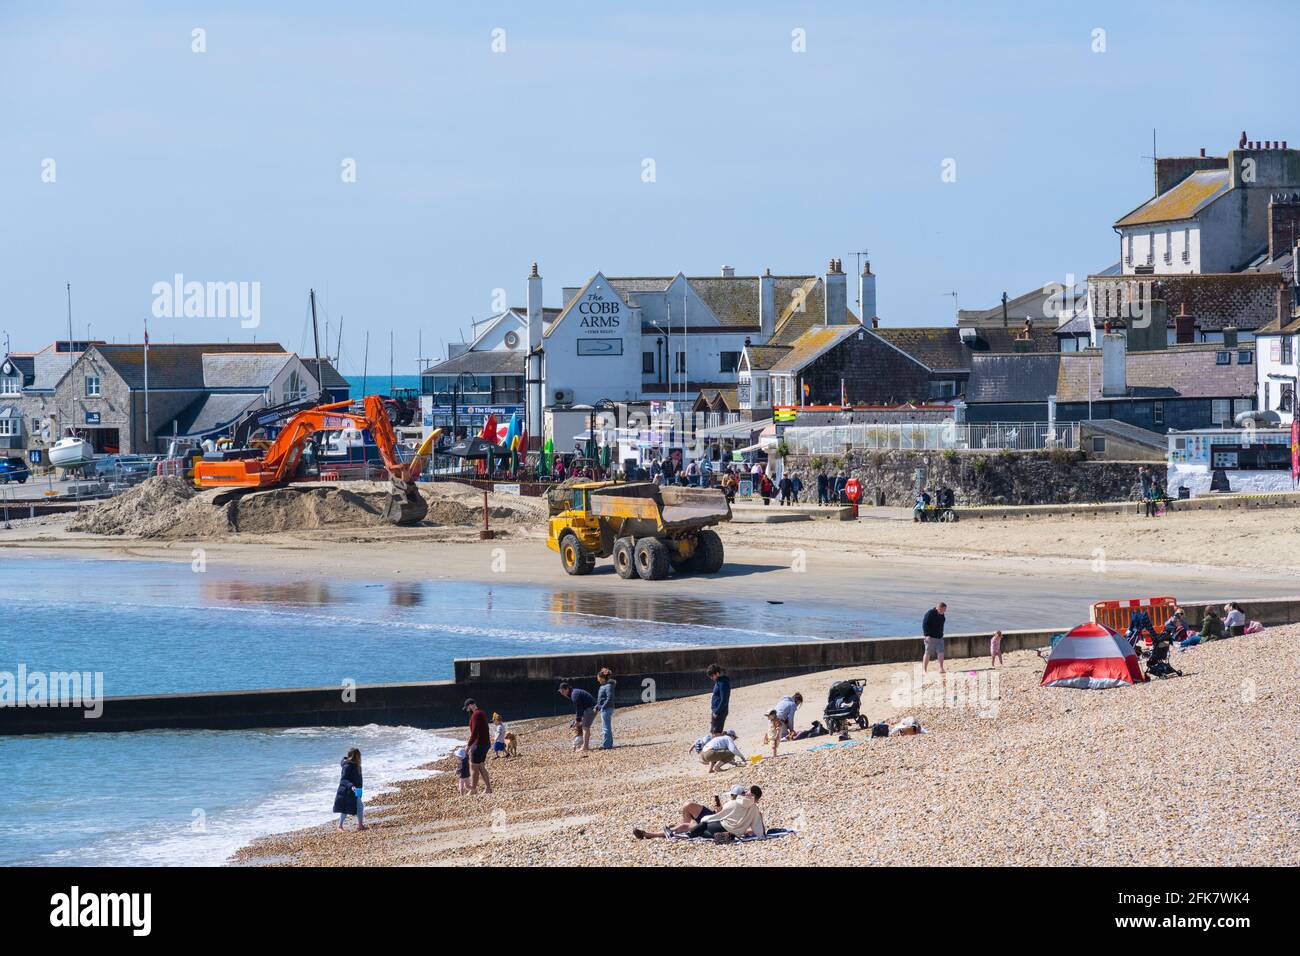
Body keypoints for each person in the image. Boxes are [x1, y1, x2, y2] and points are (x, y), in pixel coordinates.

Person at [463, 698, 493, 794]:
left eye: (467, 707)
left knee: (473, 767)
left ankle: (473, 790)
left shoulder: (476, 715)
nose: (467, 710)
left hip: (479, 744)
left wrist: (468, 746)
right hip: (485, 743)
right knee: (480, 766)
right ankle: (488, 788)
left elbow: (475, 732)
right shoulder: (481, 713)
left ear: (471, 705)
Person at [333, 747, 366, 831]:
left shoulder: (357, 765)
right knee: (345, 809)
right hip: (347, 790)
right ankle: (340, 826)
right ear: (354, 756)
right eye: (358, 755)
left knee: (359, 806)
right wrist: (351, 786)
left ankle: (360, 825)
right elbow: (343, 779)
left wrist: (359, 788)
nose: (360, 757)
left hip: (356, 789)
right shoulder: (347, 766)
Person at [559, 681, 597, 753]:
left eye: (563, 691)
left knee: (585, 727)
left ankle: (585, 747)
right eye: (561, 692)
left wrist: (578, 720)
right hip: (589, 708)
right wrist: (577, 720)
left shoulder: (574, 695)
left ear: (567, 689)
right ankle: (582, 745)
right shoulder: (574, 693)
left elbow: (579, 709)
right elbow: (580, 708)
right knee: (582, 726)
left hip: (591, 708)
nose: (562, 693)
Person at [922, 601, 947, 674]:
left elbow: (941, 626)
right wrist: (926, 635)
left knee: (941, 652)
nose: (944, 611)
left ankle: (941, 668)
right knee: (927, 653)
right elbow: (924, 624)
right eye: (943, 610)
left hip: (940, 637)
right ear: (939, 608)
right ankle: (924, 670)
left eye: (945, 610)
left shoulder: (942, 615)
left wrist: (941, 634)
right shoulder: (930, 613)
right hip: (930, 637)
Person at [596, 667, 616, 750]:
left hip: (607, 709)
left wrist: (602, 707)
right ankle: (608, 744)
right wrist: (597, 706)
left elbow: (609, 698)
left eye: (599, 678)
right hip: (605, 708)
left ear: (603, 678)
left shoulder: (608, 686)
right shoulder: (605, 686)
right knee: (606, 726)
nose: (598, 680)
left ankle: (606, 745)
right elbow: (601, 699)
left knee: (605, 727)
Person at [707, 663, 730, 734]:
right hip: (717, 711)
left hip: (720, 712)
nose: (711, 678)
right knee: (714, 732)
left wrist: (716, 712)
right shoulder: (719, 682)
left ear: (717, 673)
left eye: (712, 676)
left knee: (716, 733)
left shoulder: (723, 683)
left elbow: (724, 700)